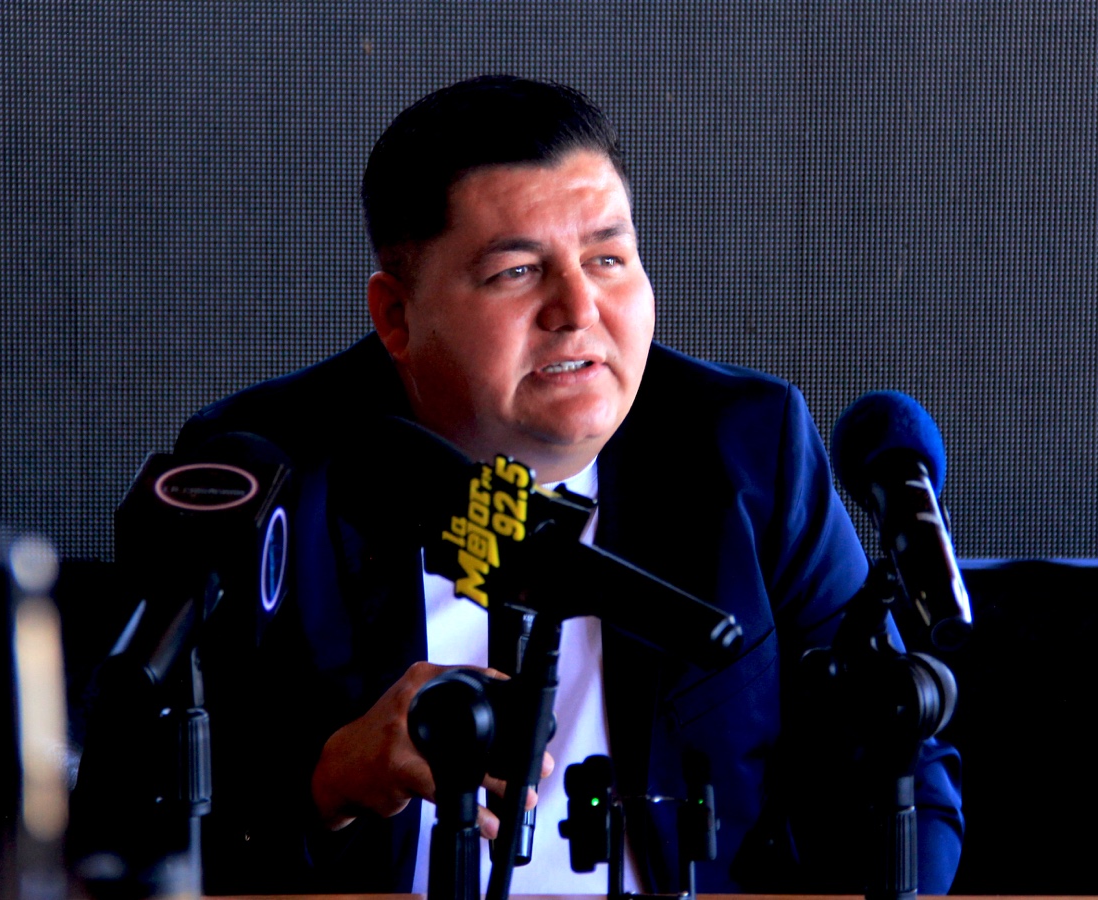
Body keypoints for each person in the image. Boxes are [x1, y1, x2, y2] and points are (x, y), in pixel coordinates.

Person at [175, 74, 963, 895]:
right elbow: (137, 819)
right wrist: (331, 783)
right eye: (517, 272)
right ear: (397, 319)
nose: (578, 307)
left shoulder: (745, 448)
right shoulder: (264, 475)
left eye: (607, 259)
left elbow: (908, 778)